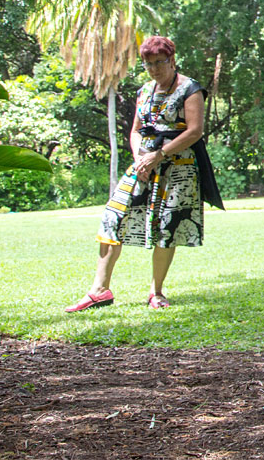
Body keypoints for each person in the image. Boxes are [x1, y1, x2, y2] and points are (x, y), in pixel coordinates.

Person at [66, 36, 219, 312]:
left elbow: (194, 131)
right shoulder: (145, 90)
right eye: (148, 64)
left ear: (172, 60)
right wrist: (140, 159)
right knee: (113, 217)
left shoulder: (190, 88)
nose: (154, 69)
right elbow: (136, 129)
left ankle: (156, 292)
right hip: (143, 164)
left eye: (159, 62)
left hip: (178, 166)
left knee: (167, 227)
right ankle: (99, 290)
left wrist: (159, 155)